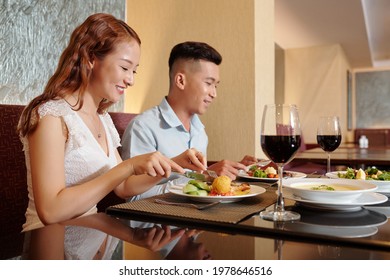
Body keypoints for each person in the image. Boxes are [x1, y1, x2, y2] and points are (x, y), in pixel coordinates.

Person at [17, 13, 206, 259]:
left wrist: (174, 163)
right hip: (49, 240)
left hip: (93, 234)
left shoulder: (102, 118)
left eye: (135, 70)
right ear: (90, 58)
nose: (131, 79)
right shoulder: (51, 115)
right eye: (125, 67)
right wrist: (127, 166)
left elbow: (125, 187)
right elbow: (51, 211)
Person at [120, 41, 258, 202]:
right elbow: (134, 197)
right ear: (180, 81)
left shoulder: (200, 132)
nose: (214, 94)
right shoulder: (143, 127)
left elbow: (200, 187)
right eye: (208, 83)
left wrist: (235, 172)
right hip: (152, 226)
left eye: (216, 86)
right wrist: (202, 177)